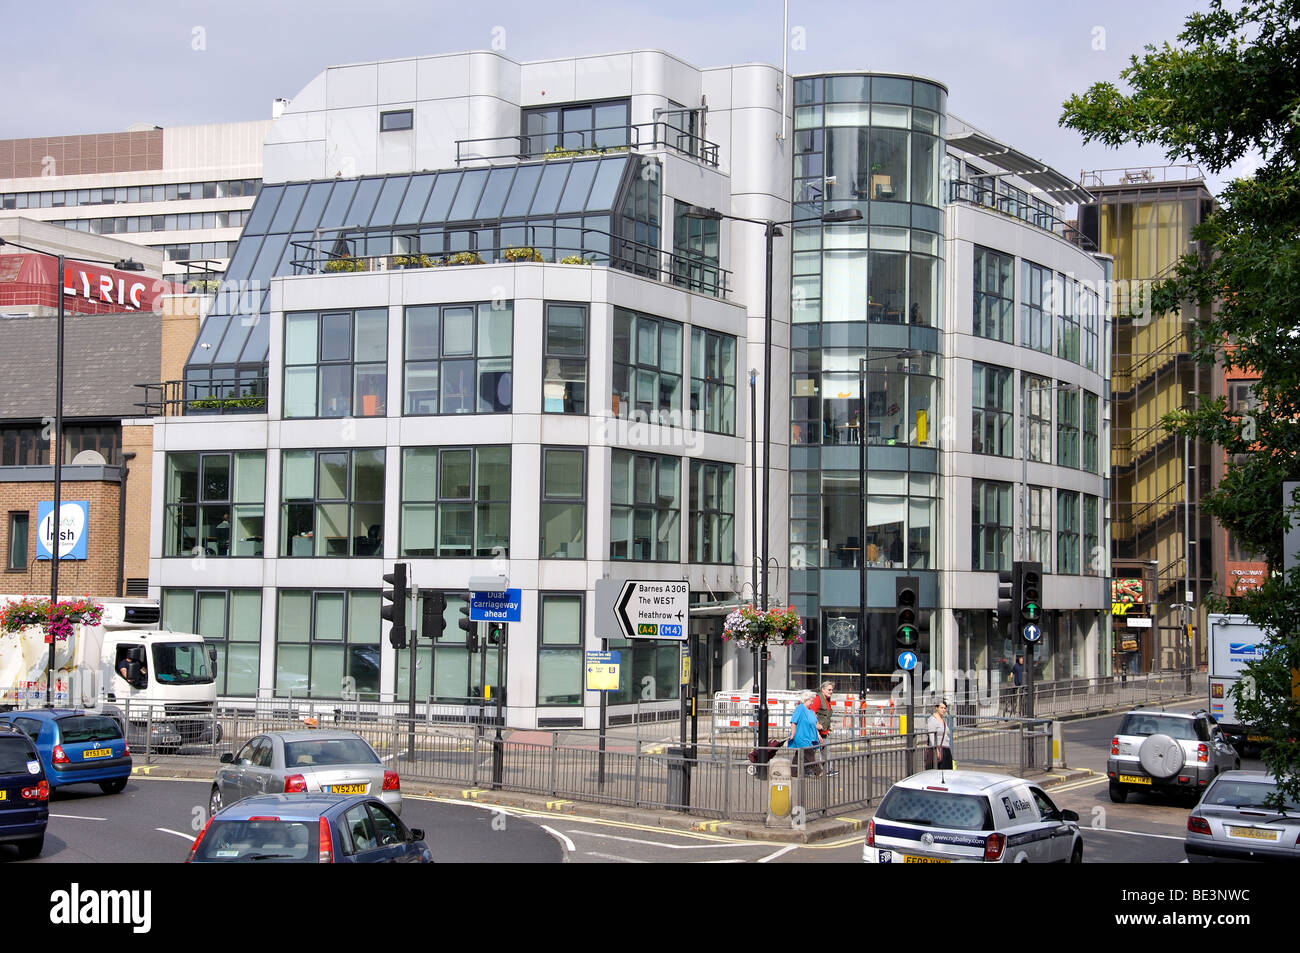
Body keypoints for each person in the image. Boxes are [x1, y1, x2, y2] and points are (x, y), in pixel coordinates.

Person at [787, 690, 822, 778]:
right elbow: (793, 722)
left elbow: (814, 724)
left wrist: (818, 735)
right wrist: (793, 734)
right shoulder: (800, 708)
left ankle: (793, 772)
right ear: (806, 700)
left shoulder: (811, 711)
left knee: (799, 755)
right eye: (811, 700)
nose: (812, 702)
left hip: (809, 737)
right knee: (809, 754)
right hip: (801, 737)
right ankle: (818, 772)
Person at [806, 681, 836, 775]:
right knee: (810, 752)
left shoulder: (827, 699)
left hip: (824, 731)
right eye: (829, 689)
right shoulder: (818, 699)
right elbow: (811, 713)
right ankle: (808, 770)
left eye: (832, 690)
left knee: (825, 750)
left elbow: (826, 715)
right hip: (815, 731)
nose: (831, 692)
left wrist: (829, 725)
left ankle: (827, 770)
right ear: (823, 689)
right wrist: (816, 725)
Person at [926, 700, 953, 770]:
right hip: (938, 748)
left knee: (948, 771)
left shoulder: (943, 720)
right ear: (936, 708)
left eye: (944, 708)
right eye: (941, 708)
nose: (943, 710)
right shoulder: (932, 719)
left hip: (946, 749)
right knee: (939, 772)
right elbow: (931, 735)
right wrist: (936, 750)